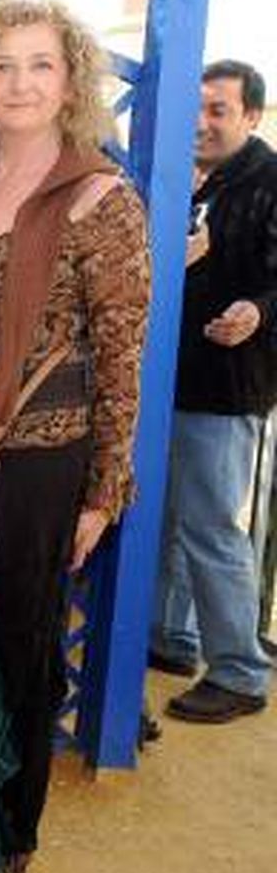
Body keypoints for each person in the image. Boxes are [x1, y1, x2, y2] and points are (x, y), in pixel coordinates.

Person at [0, 0, 151, 873]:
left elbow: (122, 350)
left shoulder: (101, 196)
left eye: (39, 64)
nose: (19, 82)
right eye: (2, 64)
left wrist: (103, 488)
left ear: (70, 82)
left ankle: (7, 835)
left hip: (38, 462)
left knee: (19, 647)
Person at [150, 60, 276, 723]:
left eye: (218, 110)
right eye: (196, 106)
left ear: (252, 116)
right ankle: (174, 638)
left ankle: (240, 671)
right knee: (172, 519)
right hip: (175, 378)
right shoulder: (191, 177)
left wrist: (256, 312)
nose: (201, 121)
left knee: (211, 529)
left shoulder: (270, 181)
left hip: (228, 388)